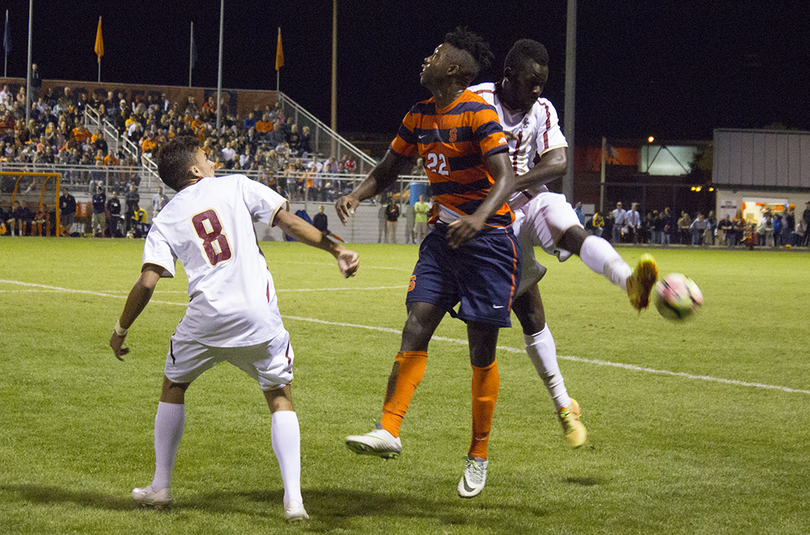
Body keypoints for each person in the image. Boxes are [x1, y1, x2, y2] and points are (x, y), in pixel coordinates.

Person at [109, 136, 359, 521]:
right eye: (207, 158)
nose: (212, 162)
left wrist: (121, 330)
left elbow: (147, 283)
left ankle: (160, 486)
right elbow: (289, 221)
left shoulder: (165, 217)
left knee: (174, 386)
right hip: (257, 314)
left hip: (205, 318)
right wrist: (337, 249)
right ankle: (294, 500)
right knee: (279, 394)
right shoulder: (236, 184)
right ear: (194, 169)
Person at [336, 28, 520, 499]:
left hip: (490, 244)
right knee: (416, 323)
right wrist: (357, 194)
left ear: (455, 70)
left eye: (436, 54)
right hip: (443, 240)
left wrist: (478, 219)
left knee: (481, 351)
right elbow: (388, 168)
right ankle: (389, 429)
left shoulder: (478, 113)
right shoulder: (418, 115)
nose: (427, 58)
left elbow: (507, 178)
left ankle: (478, 454)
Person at [470, 38, 657, 449]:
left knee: (569, 227)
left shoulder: (544, 109)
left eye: (543, 82)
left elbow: (558, 161)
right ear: (508, 77)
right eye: (531, 81)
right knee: (530, 314)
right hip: (492, 220)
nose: (538, 90)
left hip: (529, 199)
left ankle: (628, 281)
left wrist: (511, 183)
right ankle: (563, 406)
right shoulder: (476, 99)